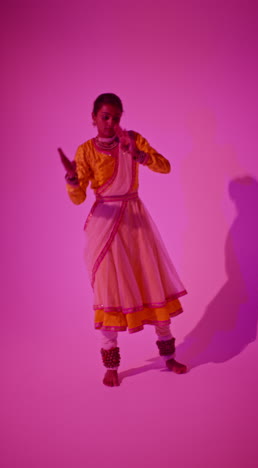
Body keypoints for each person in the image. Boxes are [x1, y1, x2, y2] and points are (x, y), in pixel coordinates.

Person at [58, 93, 187, 387]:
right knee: (109, 291)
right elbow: (78, 198)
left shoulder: (133, 140)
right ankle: (111, 364)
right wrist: (72, 179)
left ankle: (169, 357)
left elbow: (165, 166)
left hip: (135, 221)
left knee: (151, 281)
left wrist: (138, 154)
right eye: (105, 117)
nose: (111, 122)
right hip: (105, 224)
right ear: (93, 118)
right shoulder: (85, 151)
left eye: (116, 117)